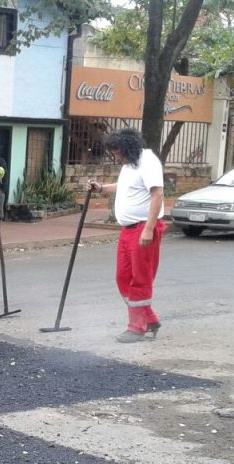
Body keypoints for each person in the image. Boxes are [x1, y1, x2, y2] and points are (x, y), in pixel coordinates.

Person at [86, 128, 167, 342]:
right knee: (123, 277)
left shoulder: (148, 162)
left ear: (128, 148)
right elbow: (124, 186)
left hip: (143, 228)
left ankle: (137, 328)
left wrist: (148, 229)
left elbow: (157, 194)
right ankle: (149, 319)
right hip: (128, 230)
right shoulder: (129, 164)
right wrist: (101, 188)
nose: (115, 157)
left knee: (140, 278)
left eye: (117, 153)